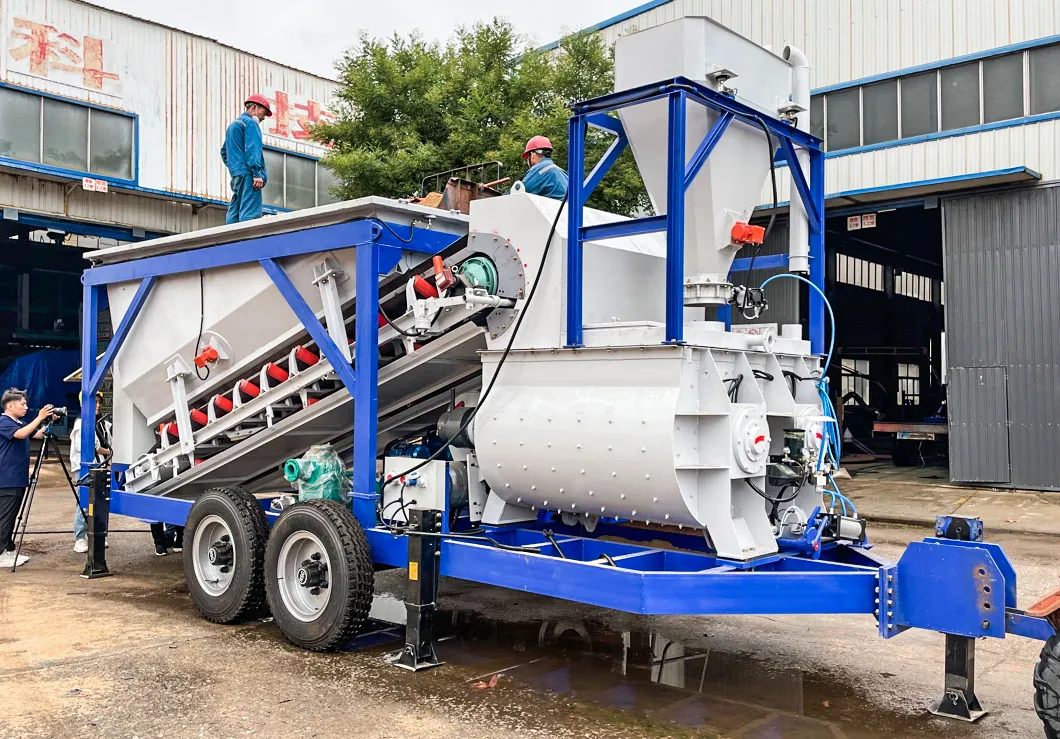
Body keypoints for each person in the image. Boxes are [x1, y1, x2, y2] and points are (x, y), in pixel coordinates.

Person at [0, 388, 57, 568]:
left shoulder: (18, 422)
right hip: (6, 478)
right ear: (10, 405)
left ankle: (8, 548)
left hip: (17, 477)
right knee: (5, 516)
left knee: (12, 514)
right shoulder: (4, 421)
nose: (26, 407)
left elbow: (37, 434)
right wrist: (39, 417)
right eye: (22, 404)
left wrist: (49, 422)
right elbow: (22, 434)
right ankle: (1, 552)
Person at [70, 391, 111, 553]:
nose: (98, 405)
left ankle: (96, 535)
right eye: (94, 403)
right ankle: (80, 538)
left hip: (97, 467)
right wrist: (112, 453)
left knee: (98, 502)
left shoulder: (97, 423)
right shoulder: (81, 424)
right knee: (85, 503)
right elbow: (90, 448)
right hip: (85, 468)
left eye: (99, 402)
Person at [221, 94, 272, 224]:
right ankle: (248, 241)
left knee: (236, 209)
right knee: (250, 213)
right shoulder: (250, 123)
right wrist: (256, 173)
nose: (263, 117)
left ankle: (229, 238)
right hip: (249, 175)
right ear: (254, 107)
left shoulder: (233, 125)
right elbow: (252, 149)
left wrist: (235, 167)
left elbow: (224, 151)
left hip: (237, 175)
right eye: (263, 112)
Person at [516, 135, 568, 200]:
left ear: (532, 154)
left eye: (527, 157)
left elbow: (519, 193)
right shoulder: (562, 172)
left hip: (554, 209)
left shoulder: (540, 169)